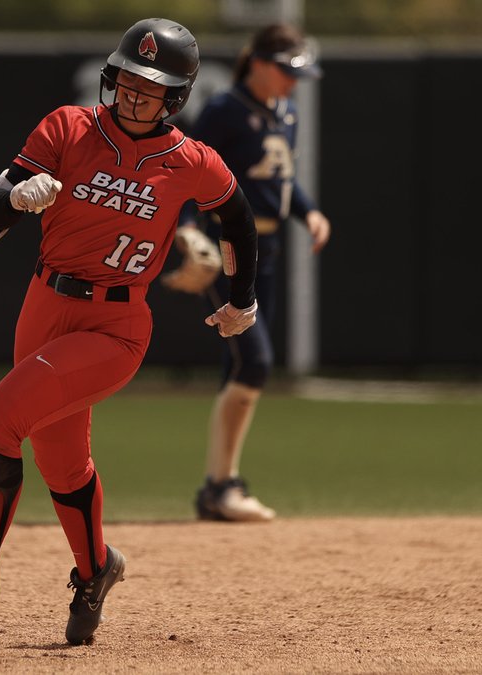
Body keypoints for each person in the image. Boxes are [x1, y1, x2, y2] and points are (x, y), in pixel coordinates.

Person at [0, 17, 261, 645]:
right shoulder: (67, 127)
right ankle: (96, 570)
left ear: (176, 96)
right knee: (62, 461)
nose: (135, 91)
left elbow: (238, 221)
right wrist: (17, 197)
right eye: (129, 76)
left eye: (151, 84)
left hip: (115, 325)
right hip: (43, 305)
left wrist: (242, 299)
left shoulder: (191, 161)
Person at [175, 23, 331, 523]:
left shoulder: (286, 112)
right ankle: (223, 485)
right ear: (259, 63)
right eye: (286, 71)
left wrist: (307, 211)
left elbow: (279, 178)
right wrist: (187, 232)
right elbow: (189, 168)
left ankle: (217, 490)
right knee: (256, 363)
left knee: (239, 366)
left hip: (270, 247)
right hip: (229, 246)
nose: (292, 82)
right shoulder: (225, 110)